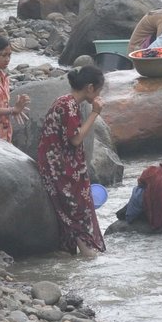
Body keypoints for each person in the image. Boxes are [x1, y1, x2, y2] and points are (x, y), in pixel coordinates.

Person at [37, 65, 106, 258]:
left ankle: (74, 249)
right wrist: (95, 113)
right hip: (57, 164)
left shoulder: (67, 102)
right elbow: (75, 138)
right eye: (99, 90)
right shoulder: (68, 105)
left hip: (60, 159)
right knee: (78, 204)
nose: (99, 94)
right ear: (90, 88)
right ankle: (86, 248)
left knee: (81, 196)